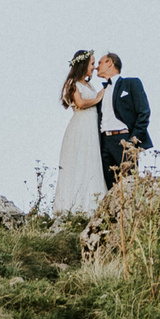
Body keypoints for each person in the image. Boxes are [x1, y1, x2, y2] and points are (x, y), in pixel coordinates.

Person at [51, 48, 108, 214]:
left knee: (91, 162)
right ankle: (74, 206)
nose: (94, 67)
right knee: (79, 162)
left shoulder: (88, 84)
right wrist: (98, 97)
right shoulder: (73, 83)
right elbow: (80, 103)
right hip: (81, 126)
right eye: (92, 63)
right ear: (83, 65)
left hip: (91, 126)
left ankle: (92, 205)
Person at [95, 52, 151, 184]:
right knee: (110, 186)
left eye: (100, 63)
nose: (97, 67)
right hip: (104, 142)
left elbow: (144, 112)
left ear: (110, 63)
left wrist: (133, 141)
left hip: (124, 140)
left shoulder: (131, 83)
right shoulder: (101, 92)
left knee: (129, 184)